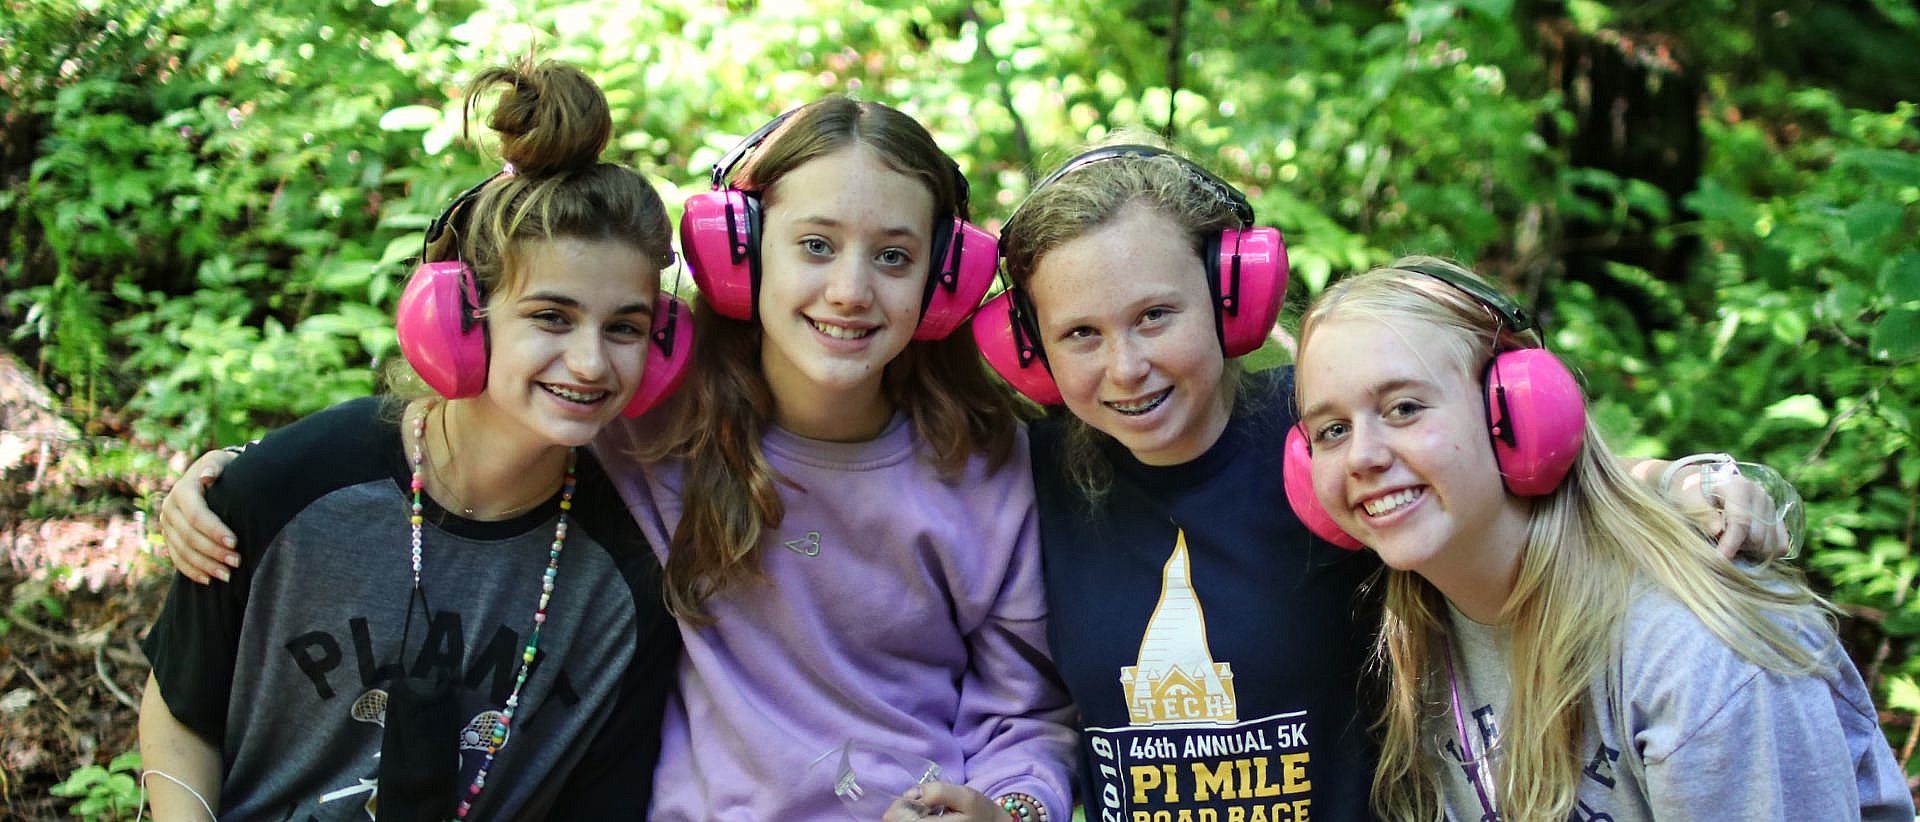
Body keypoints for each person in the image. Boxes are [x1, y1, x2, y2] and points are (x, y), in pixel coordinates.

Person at [156, 96, 1076, 822]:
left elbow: (1025, 715)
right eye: (815, 245)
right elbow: (490, 411)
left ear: (946, 280)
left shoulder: (988, 469)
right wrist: (242, 478)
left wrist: (1014, 810)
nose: (849, 289)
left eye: (894, 257)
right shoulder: (649, 420)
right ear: (736, 253)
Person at [976, 144, 1800, 821]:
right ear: (1032, 352)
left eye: (1156, 315)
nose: (1126, 366)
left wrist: (1690, 482)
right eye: (1079, 333)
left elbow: (1503, 474)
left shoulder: (1323, 447)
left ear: (1233, 298)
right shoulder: (1023, 480)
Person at [137, 61, 684, 820]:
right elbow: (181, 704)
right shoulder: (289, 487)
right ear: (460, 319)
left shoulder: (627, 576)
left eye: (624, 327)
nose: (592, 362)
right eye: (552, 318)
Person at [1289, 257, 1910, 820]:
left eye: (1404, 408)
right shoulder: (1413, 630)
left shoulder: (1698, 653)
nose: (1363, 456)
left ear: (1523, 414)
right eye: (1333, 430)